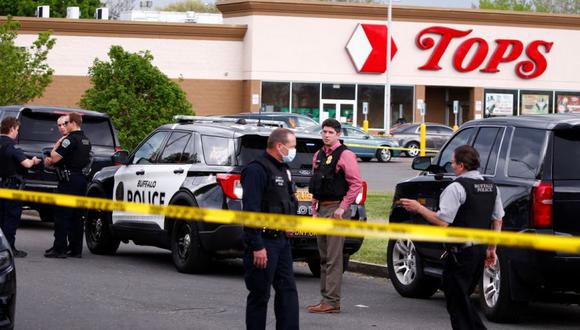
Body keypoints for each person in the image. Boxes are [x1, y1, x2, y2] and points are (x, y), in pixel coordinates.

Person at [400, 145, 503, 330]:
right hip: (479, 252)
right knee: (461, 298)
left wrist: (419, 208)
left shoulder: (456, 187)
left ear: (461, 166)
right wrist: (491, 248)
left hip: (460, 253)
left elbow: (442, 221)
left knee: (456, 302)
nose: (452, 166)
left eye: (453, 162)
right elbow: (498, 220)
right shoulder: (491, 187)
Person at [241, 127, 299, 330]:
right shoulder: (256, 170)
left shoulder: (283, 169)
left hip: (282, 242)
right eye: (292, 146)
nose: (294, 151)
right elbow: (251, 210)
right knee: (260, 295)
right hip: (263, 242)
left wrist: (290, 225)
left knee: (288, 292)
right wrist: (257, 245)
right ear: (279, 146)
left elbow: (288, 201)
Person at [307, 118, 362, 314]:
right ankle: (326, 299)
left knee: (333, 257)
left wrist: (343, 207)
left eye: (330, 132)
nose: (326, 135)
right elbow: (315, 184)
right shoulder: (319, 155)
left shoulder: (345, 155)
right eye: (324, 132)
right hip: (322, 208)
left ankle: (332, 301)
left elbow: (356, 184)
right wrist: (314, 209)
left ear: (338, 134)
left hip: (336, 210)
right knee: (323, 256)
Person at [44, 113, 91, 259]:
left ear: (72, 123)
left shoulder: (69, 140)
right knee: (77, 216)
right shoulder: (86, 140)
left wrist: (58, 144)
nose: (65, 126)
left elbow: (55, 157)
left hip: (68, 181)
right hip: (81, 180)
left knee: (62, 216)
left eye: (67, 123)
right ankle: (76, 250)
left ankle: (59, 249)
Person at [0, 117, 42, 258]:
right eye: (17, 130)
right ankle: (9, 249)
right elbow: (26, 164)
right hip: (11, 187)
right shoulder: (11, 146)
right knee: (10, 219)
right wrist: (34, 160)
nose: (17, 133)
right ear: (11, 128)